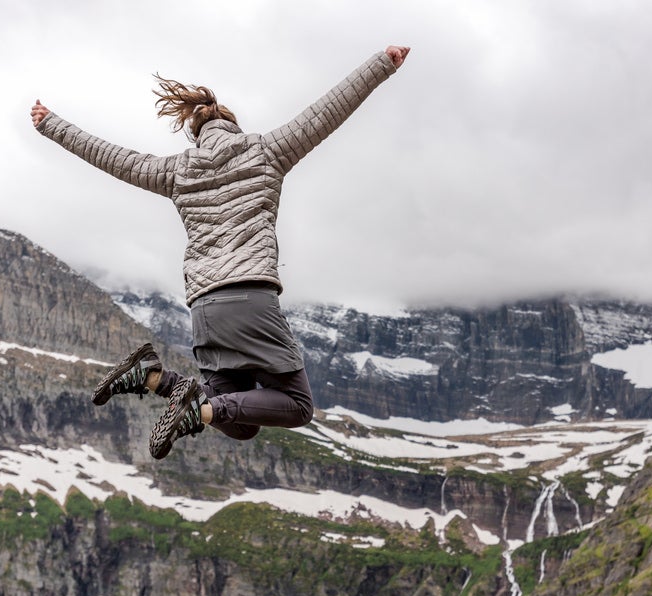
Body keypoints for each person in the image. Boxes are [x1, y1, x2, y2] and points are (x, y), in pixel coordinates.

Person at [31, 45, 410, 459]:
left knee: (243, 426)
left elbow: (112, 157)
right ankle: (198, 409)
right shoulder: (266, 150)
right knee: (298, 406)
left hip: (204, 311)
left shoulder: (176, 170)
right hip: (251, 299)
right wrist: (382, 64)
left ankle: (153, 378)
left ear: (197, 133)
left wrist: (51, 124)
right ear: (232, 125)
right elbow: (326, 111)